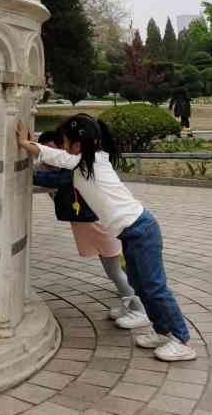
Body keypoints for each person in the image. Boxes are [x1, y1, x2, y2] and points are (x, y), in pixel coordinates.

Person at [16, 113, 196, 362]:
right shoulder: (84, 162)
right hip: (131, 233)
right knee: (140, 284)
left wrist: (29, 146)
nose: (63, 146)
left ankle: (182, 339)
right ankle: (162, 331)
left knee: (155, 287)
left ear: (78, 145)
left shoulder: (92, 162)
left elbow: (58, 157)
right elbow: (57, 157)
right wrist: (31, 146)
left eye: (66, 141)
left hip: (141, 229)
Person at [34, 128, 149, 328]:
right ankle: (128, 304)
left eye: (53, 149)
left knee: (115, 270)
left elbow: (58, 181)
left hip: (97, 223)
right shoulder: (67, 163)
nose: (51, 155)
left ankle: (139, 310)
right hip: (90, 223)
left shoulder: (75, 164)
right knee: (112, 268)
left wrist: (30, 172)